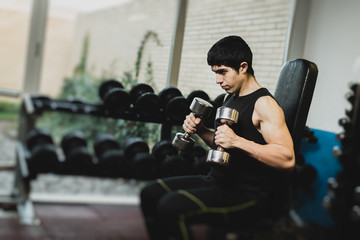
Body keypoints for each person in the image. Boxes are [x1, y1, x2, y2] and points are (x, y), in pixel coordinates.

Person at [140, 35, 295, 240]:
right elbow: (222, 140)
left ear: (243, 67)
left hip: (247, 196)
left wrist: (237, 141)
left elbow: (287, 158)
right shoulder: (228, 98)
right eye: (215, 73)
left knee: (170, 208)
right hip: (217, 182)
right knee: (149, 193)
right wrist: (201, 130)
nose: (218, 80)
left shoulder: (264, 104)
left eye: (223, 72)